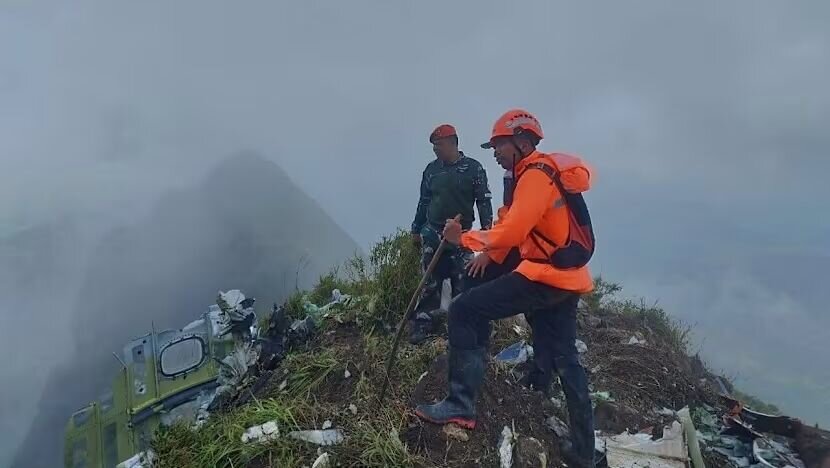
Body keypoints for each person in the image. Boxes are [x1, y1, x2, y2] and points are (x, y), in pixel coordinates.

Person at [414, 110, 597, 467]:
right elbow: (515, 227)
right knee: (565, 358)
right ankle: (583, 452)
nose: (494, 152)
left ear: (522, 142)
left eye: (499, 145)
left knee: (465, 310)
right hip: (566, 277)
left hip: (543, 276)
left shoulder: (533, 176)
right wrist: (489, 254)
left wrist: (463, 239)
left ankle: (460, 405)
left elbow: (513, 234)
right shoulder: (532, 174)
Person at [409, 124, 493, 344]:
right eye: (434, 147)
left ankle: (461, 327)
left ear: (453, 143)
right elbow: (424, 202)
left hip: (461, 236)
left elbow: (484, 202)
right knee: (430, 283)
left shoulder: (474, 169)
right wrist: (416, 229)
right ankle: (424, 323)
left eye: (439, 145)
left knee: (463, 283)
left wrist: (487, 236)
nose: (436, 150)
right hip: (433, 234)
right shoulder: (431, 170)